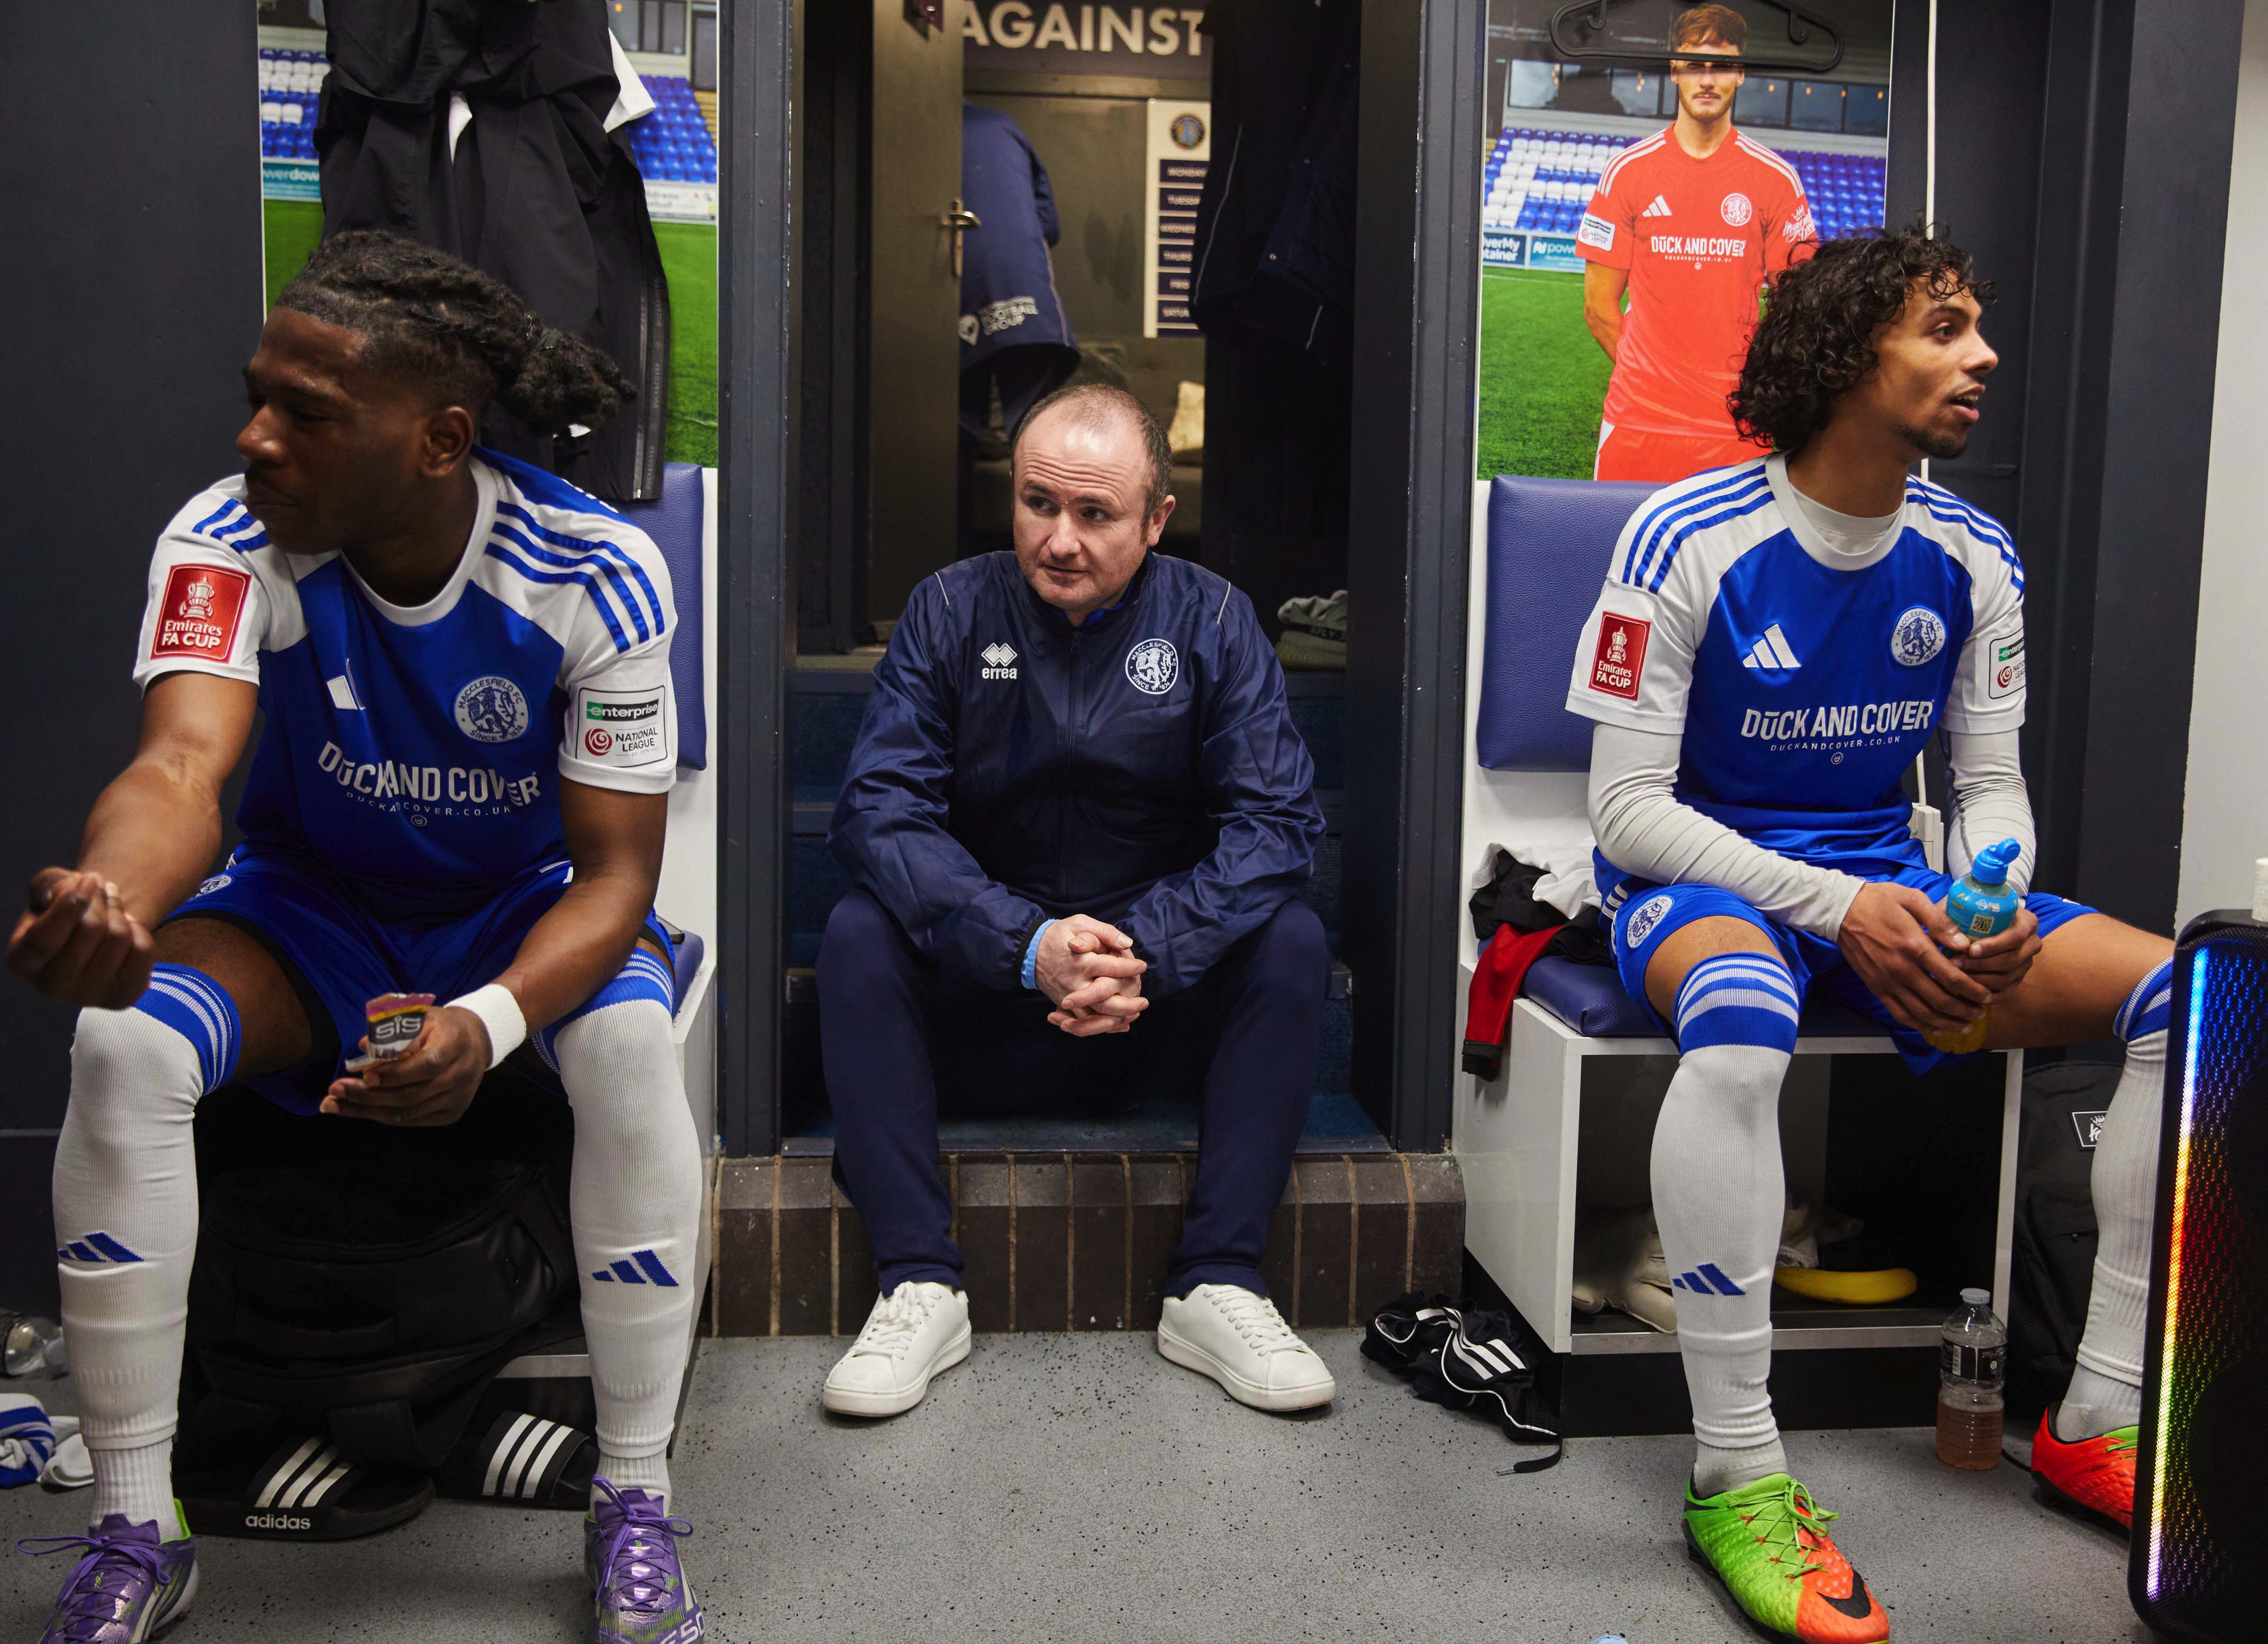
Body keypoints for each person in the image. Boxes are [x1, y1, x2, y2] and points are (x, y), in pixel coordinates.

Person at [7, 233, 706, 1644]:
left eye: (307, 413)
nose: (254, 437)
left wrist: (489, 1023)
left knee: (630, 1045)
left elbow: (617, 875)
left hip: (519, 906)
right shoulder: (223, 537)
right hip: (310, 902)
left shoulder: (594, 567)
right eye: (257, 397)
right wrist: (112, 898)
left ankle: (633, 1493)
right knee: (121, 1041)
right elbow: (179, 768)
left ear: (439, 439)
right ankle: (140, 1522)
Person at [1564, 224, 2171, 1643]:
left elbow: (1989, 782)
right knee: (1739, 1026)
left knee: (2186, 999)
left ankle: (2098, 1408)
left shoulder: (1971, 551)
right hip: (1704, 874)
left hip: (1889, 879)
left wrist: (1987, 886)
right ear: (1846, 356)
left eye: (1976, 325)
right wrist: (1837, 906)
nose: (1983, 355)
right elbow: (1626, 807)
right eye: (1943, 328)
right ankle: (1736, 1470)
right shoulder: (1682, 535)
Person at [819, 383, 1335, 1419]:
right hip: (987, 979)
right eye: (1038, 503)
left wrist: (1141, 948)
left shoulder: (1213, 619)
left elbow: (1278, 824)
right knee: (856, 930)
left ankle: (1218, 1279)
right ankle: (918, 1281)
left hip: (1153, 1000)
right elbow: (879, 809)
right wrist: (1028, 943)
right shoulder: (949, 609)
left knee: (1291, 938)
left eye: (1095, 513)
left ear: (1157, 518)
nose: (1059, 539)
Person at [1577, 3, 1818, 485]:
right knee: (1622, 538)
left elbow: (1801, 311)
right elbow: (1599, 309)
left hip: (1735, 426)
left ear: (1741, 74)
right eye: (1694, 65)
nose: (1707, 80)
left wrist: (1756, 388)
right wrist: (1656, 384)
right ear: (1674, 70)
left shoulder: (1776, 180)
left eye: (1722, 66)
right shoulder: (1628, 172)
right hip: (1638, 422)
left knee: (1732, 540)